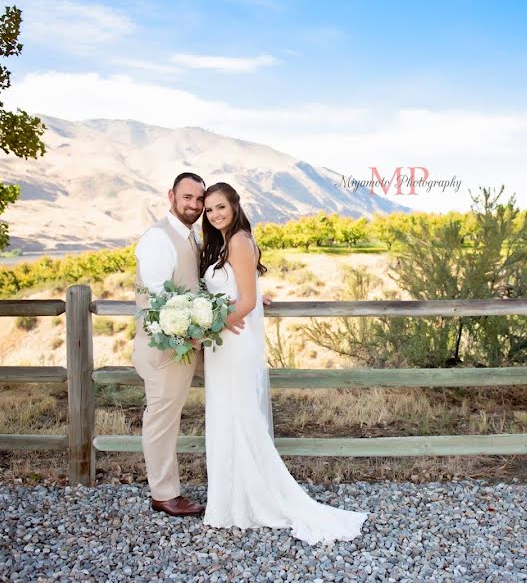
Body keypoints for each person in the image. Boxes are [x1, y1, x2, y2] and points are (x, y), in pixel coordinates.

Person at [199, 182, 367, 544]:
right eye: (208, 210)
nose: (214, 215)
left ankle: (253, 500)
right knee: (225, 416)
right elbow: (243, 292)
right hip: (221, 344)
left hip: (233, 340)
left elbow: (242, 304)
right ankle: (230, 500)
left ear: (234, 205)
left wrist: (206, 327)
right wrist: (255, 298)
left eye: (220, 207)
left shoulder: (240, 240)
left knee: (240, 415)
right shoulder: (221, 243)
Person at [132, 171, 208, 517]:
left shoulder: (191, 237)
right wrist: (188, 335)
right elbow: (157, 299)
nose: (194, 205)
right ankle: (164, 494)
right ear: (171, 196)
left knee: (172, 417)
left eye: (199, 199)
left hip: (187, 344)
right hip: (165, 349)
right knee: (161, 420)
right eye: (187, 197)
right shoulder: (158, 239)